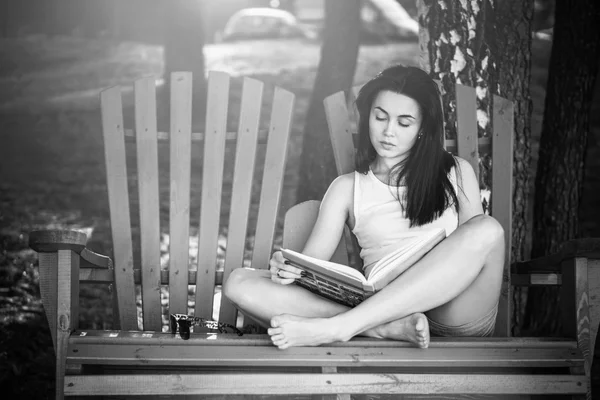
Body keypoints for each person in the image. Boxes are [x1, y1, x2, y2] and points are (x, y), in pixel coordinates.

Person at [223, 65, 505, 350]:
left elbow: (474, 252)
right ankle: (382, 329)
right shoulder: (347, 188)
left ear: (422, 129)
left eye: (404, 123)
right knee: (239, 282)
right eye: (380, 117)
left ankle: (342, 327)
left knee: (486, 229)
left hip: (452, 310)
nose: (388, 132)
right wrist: (287, 269)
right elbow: (309, 269)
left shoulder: (455, 172)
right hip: (385, 312)